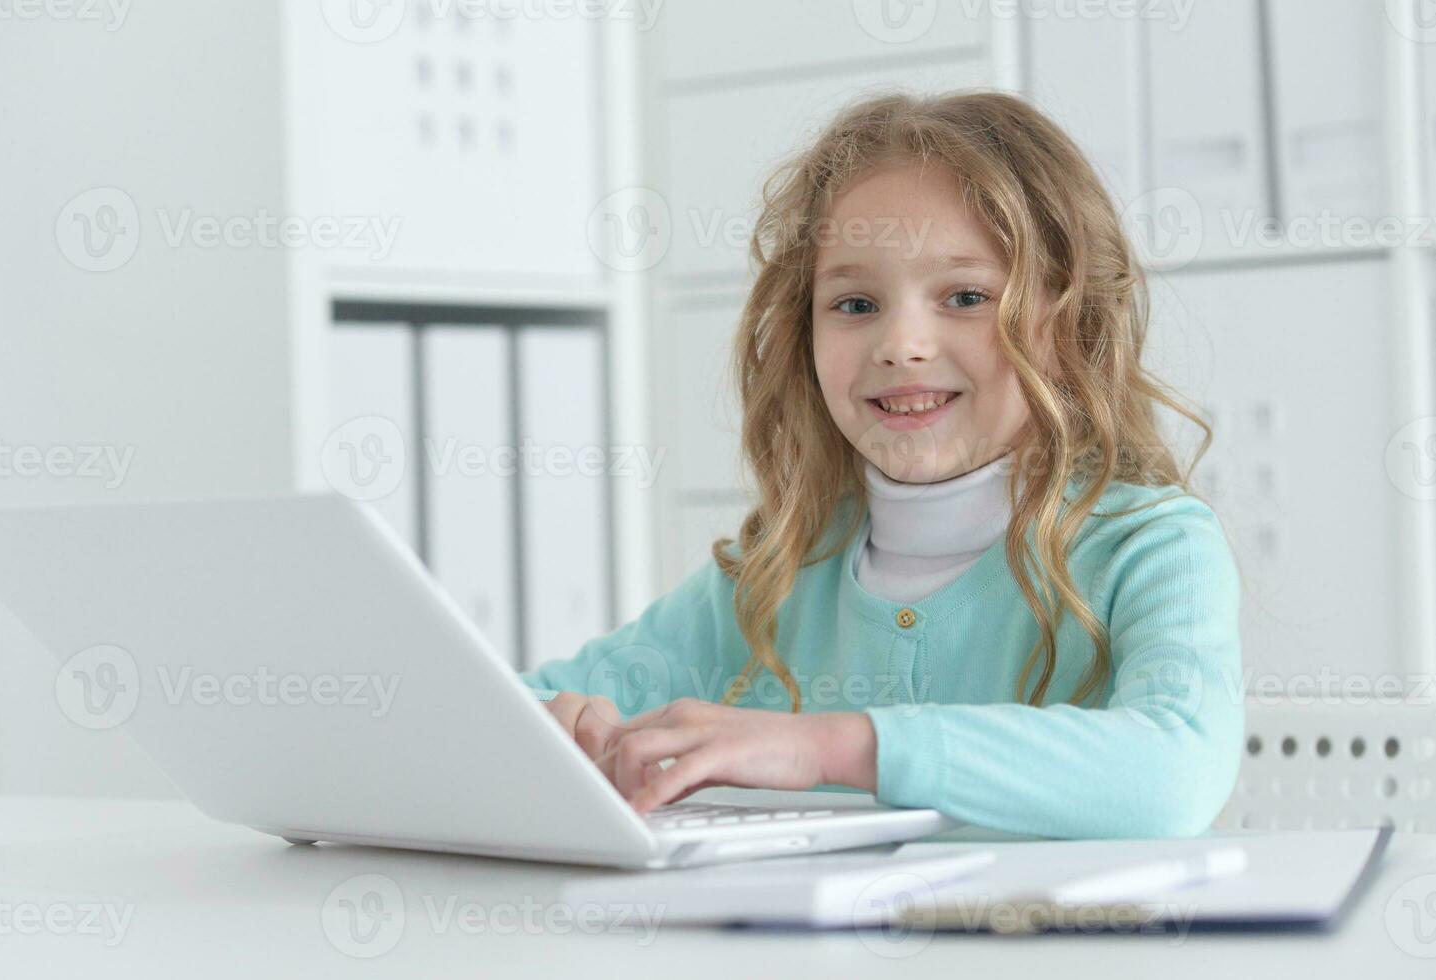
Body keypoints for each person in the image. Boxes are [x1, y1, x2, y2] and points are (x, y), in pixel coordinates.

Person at [520, 90, 1243, 840]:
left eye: (965, 296)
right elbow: (491, 709)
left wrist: (832, 745)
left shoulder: (1150, 548)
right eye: (855, 304)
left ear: (1071, 325)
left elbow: (1174, 774)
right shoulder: (773, 576)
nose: (901, 343)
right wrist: (549, 725)